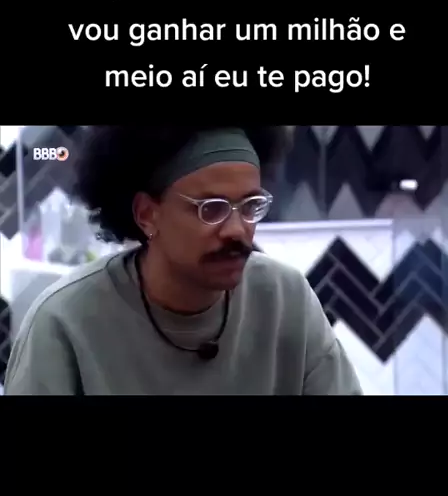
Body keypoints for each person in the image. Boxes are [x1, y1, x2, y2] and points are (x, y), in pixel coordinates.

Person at [4, 124, 362, 396]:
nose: (237, 230)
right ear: (147, 214)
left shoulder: (286, 298)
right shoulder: (64, 322)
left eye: (251, 206)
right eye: (212, 209)